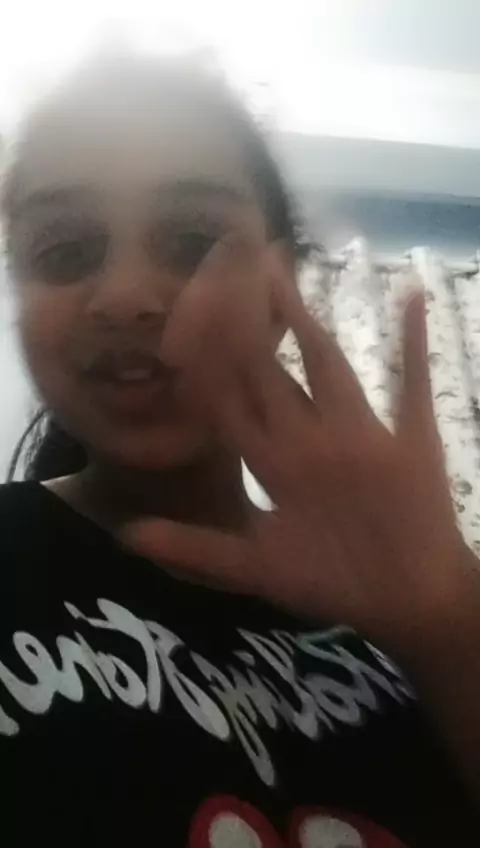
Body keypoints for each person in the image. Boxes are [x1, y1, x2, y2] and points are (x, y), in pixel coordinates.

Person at [0, 52, 479, 847]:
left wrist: (449, 615)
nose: (125, 296)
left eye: (193, 241)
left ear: (281, 290)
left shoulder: (414, 612)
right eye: (64, 250)